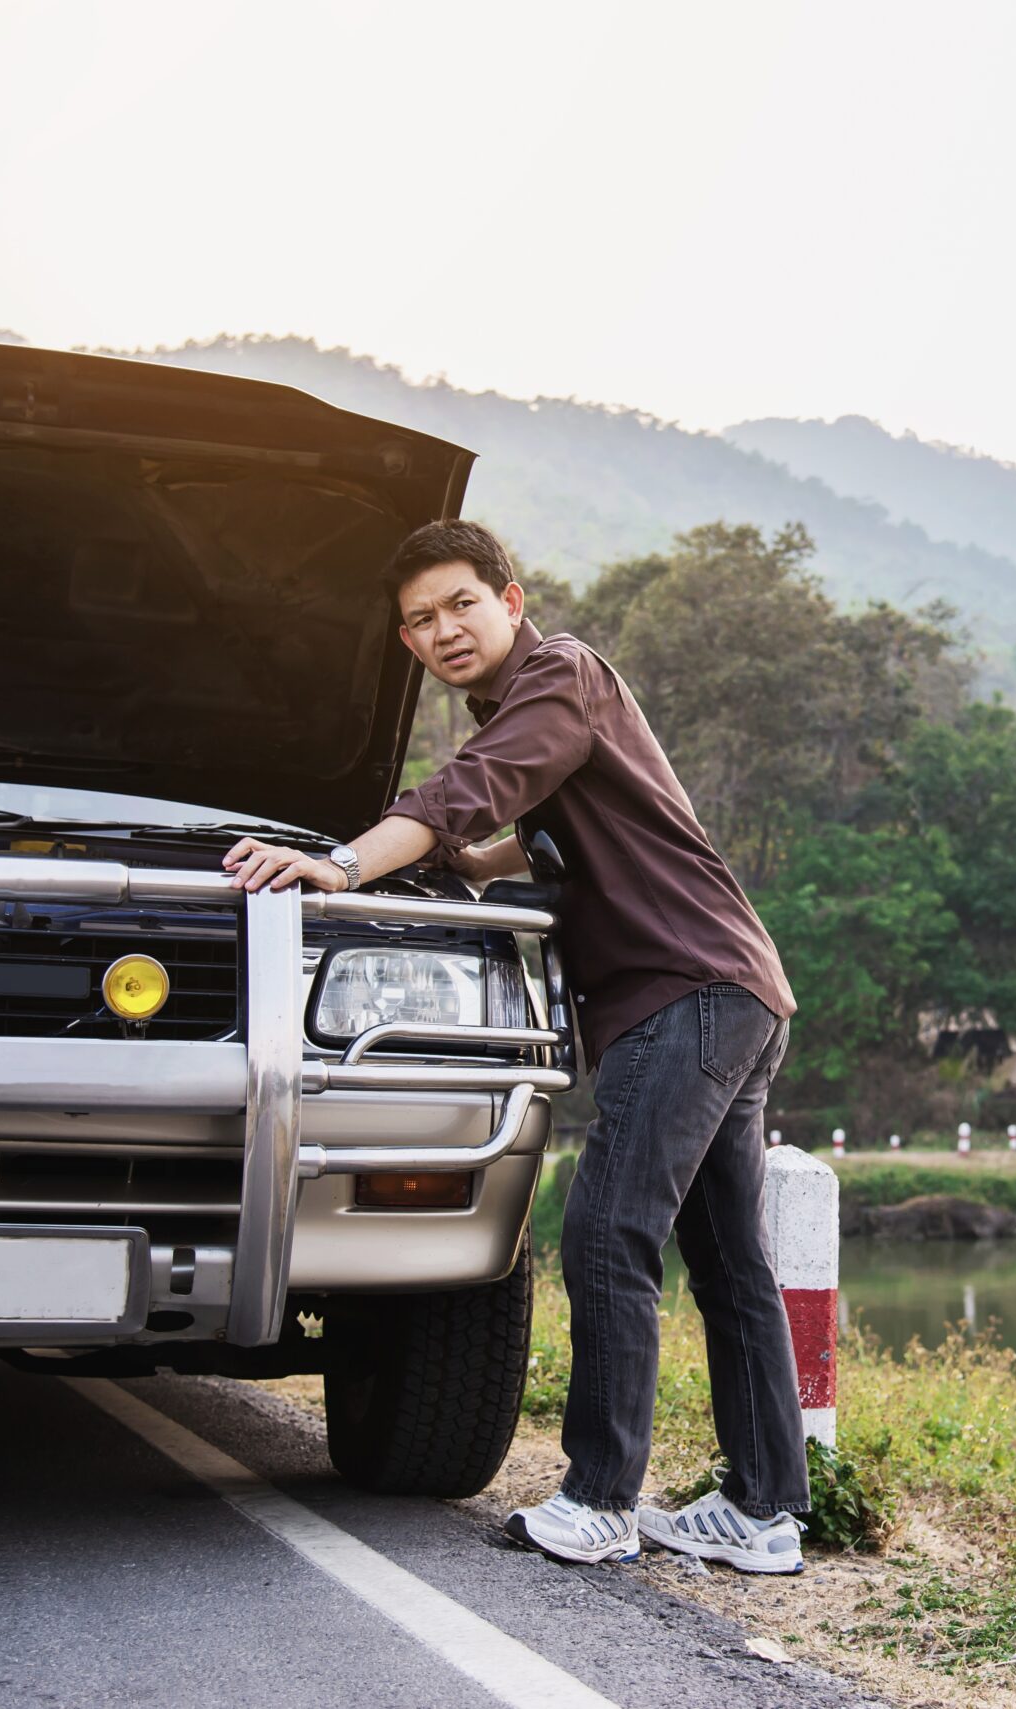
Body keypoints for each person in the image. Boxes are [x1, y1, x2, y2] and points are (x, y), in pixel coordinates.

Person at [223, 519, 809, 1575]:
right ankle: (763, 1510)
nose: (442, 629)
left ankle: (597, 1499)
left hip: (683, 992)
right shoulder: (539, 706)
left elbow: (470, 789)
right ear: (405, 641)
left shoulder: (559, 676)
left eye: (459, 603)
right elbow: (521, 835)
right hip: (731, 987)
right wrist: (462, 865)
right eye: (418, 619)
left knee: (605, 1234)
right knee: (726, 1263)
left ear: (512, 599)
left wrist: (343, 866)